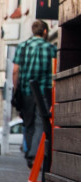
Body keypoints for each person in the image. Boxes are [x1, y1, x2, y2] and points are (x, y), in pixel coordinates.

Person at [13, 19, 57, 168]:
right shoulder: (51, 48)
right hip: (44, 91)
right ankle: (35, 155)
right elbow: (54, 70)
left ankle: (30, 155)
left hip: (26, 91)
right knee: (41, 123)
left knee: (28, 123)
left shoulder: (22, 47)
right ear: (45, 31)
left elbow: (15, 70)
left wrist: (15, 88)